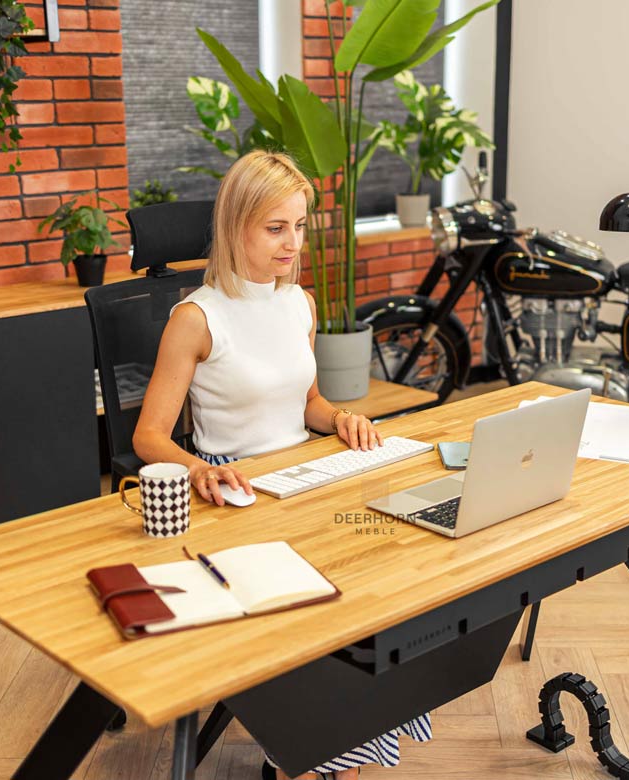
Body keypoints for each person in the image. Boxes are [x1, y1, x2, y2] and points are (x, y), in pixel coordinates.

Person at [132, 150, 433, 780]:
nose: (292, 244)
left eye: (298, 227)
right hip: (234, 495)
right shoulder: (196, 318)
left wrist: (341, 419)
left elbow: (309, 403)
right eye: (275, 228)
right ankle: (318, 752)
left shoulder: (298, 303)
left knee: (386, 576)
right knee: (324, 607)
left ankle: (337, 747)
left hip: (302, 479)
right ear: (233, 226)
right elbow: (149, 437)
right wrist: (198, 469)